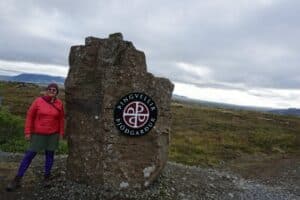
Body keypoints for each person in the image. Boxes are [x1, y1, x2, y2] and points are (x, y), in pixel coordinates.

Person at [6, 83, 64, 191]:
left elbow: (61, 119)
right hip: (38, 134)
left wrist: (61, 133)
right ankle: (17, 179)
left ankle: (47, 178)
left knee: (50, 156)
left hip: (53, 134)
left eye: (54, 90)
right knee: (29, 155)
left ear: (56, 93)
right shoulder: (38, 101)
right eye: (50, 89)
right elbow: (30, 116)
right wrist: (27, 132)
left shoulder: (59, 103)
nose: (52, 91)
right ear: (46, 90)